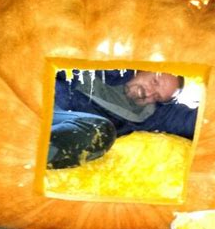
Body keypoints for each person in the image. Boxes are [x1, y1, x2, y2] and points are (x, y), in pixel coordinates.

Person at [47, 69, 197, 169]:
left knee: (100, 133)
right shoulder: (113, 66)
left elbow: (197, 121)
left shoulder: (154, 115)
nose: (149, 93)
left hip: (72, 131)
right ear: (145, 67)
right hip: (45, 101)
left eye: (157, 97)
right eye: (154, 82)